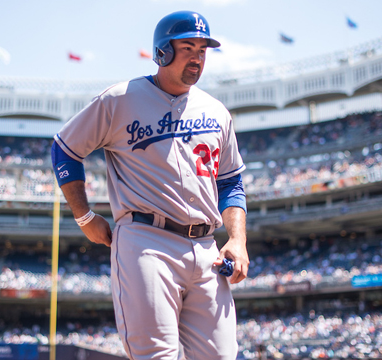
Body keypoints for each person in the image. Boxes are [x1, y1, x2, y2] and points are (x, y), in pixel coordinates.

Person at [51, 10, 249, 360]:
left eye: (203, 50)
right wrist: (84, 217)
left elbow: (231, 182)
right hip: (146, 241)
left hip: (206, 248)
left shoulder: (217, 111)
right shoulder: (120, 99)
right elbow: (64, 150)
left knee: (221, 356)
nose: (197, 57)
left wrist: (237, 239)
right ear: (163, 52)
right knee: (155, 355)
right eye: (188, 47)